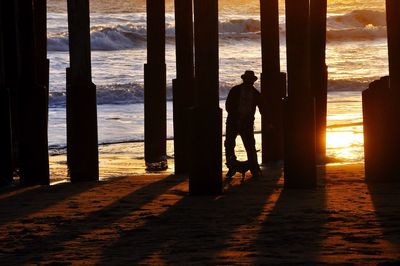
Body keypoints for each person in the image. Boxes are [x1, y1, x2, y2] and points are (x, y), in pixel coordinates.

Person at [225, 70, 264, 178]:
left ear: (252, 81)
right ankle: (231, 168)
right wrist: (237, 116)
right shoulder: (235, 90)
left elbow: (262, 108)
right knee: (229, 144)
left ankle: (254, 168)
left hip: (247, 123)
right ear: (244, 80)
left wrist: (269, 121)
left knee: (250, 146)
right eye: (247, 80)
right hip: (233, 121)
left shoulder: (256, 94)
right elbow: (228, 106)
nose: (249, 82)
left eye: (250, 81)